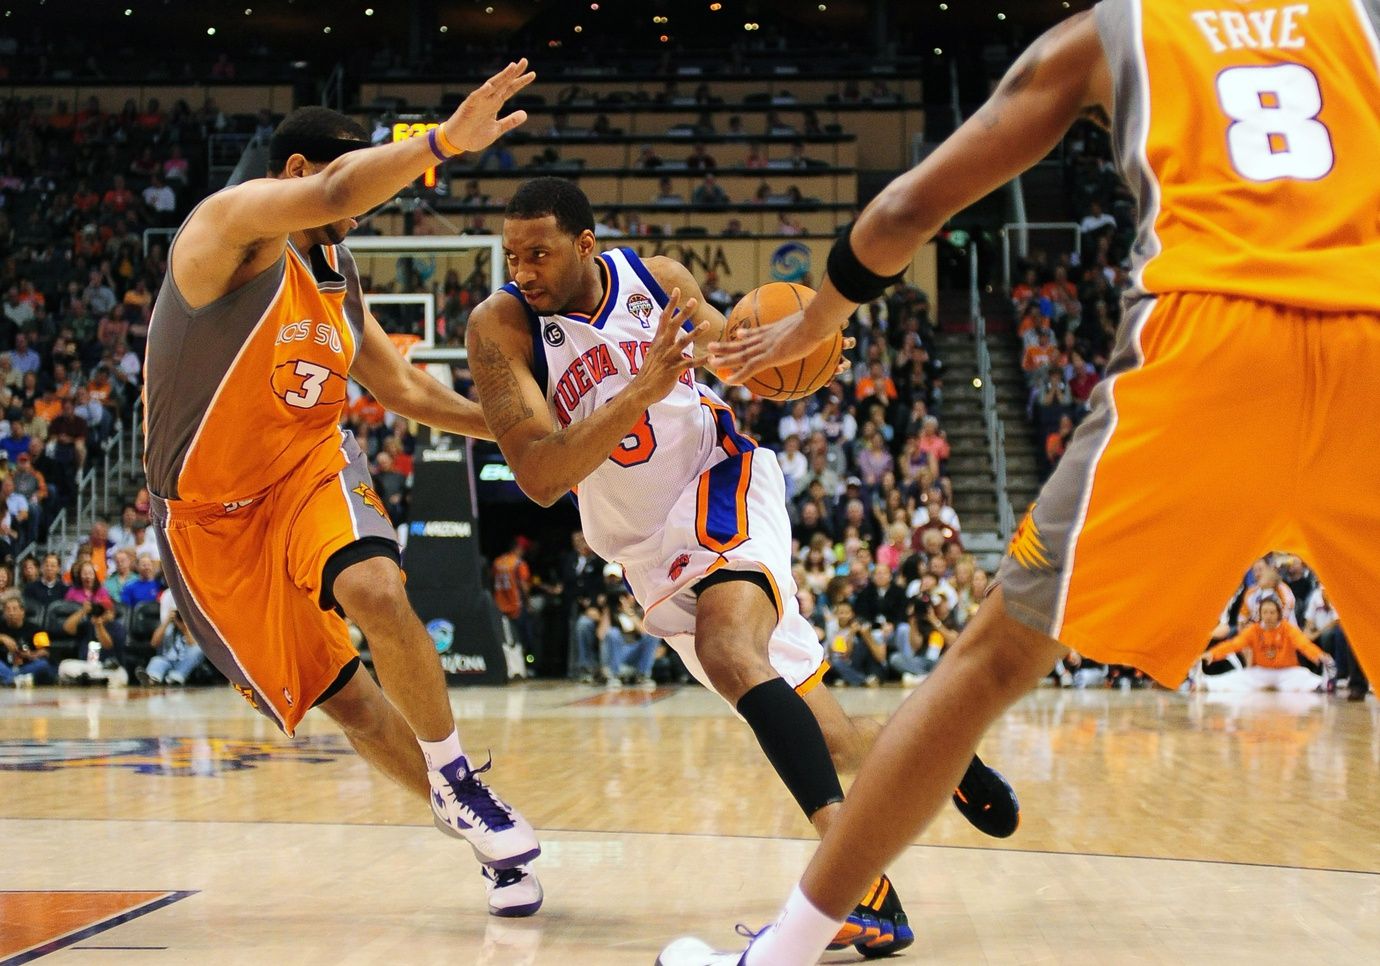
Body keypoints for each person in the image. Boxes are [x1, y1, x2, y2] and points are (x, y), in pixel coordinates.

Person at [667, 1, 1380, 962]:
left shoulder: (1112, 31)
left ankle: (786, 949)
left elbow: (908, 209)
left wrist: (813, 320)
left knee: (991, 664)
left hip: (1213, 338)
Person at [466, 177, 1018, 957]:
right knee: (825, 737)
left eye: (539, 253)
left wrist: (804, 344)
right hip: (645, 554)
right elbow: (541, 476)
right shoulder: (500, 328)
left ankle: (854, 891)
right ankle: (945, 754)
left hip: (718, 480)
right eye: (513, 254)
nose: (522, 270)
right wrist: (644, 390)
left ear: (586, 246)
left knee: (732, 650)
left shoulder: (656, 280)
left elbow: (737, 358)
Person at [140, 62, 545, 917]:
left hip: (305, 465)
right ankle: (476, 833)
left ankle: (459, 777)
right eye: (344, 188)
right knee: (356, 708)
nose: (358, 213)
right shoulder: (230, 226)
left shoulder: (339, 276)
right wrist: (436, 145)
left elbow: (407, 392)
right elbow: (342, 187)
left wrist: (520, 431)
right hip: (210, 523)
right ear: (297, 175)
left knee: (373, 586)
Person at [1194, 597, 1331, 693]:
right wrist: (1212, 654)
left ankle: (1323, 685)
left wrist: (1318, 655)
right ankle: (1204, 684)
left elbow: (1304, 644)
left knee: (1303, 674)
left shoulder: (1287, 629)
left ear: (1279, 614)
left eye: (1272, 612)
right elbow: (1234, 644)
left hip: (1287, 673)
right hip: (1261, 672)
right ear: (1260, 614)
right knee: (1240, 677)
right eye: (1265, 612)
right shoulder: (1254, 630)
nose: (1268, 616)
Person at [139, 608, 206, 685]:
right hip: (168, 660)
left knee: (198, 649)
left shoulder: (192, 627)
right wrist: (167, 622)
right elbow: (154, 643)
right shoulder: (167, 627)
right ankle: (151, 679)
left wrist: (183, 627)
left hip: (184, 662)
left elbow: (193, 645)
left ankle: (176, 677)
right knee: (157, 660)